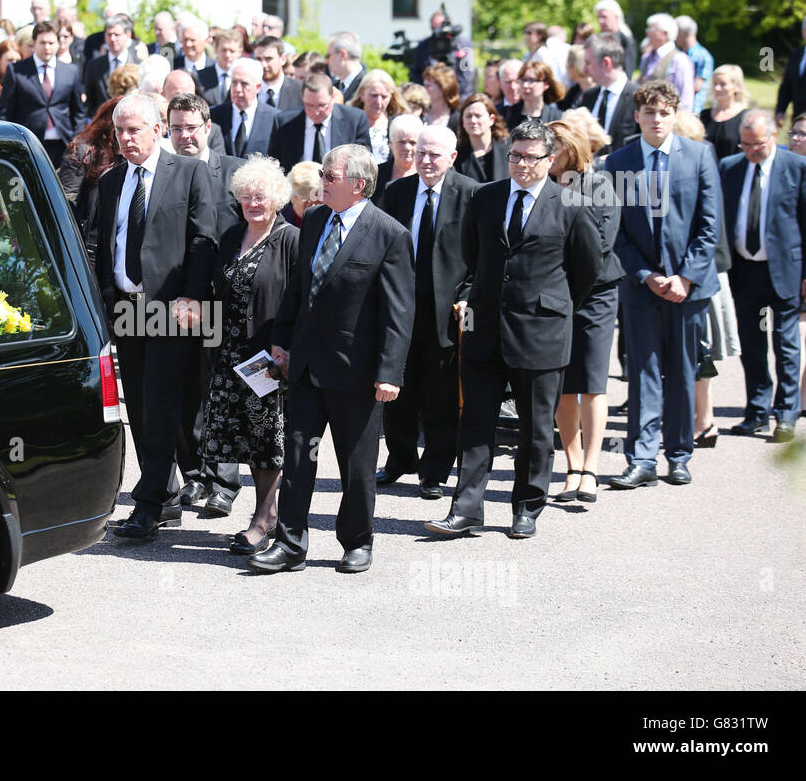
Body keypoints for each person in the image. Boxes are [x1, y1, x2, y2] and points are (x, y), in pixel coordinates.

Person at [426, 120, 601, 539]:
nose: (521, 165)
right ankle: (466, 508)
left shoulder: (572, 204)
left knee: (536, 427)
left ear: (551, 159)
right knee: (477, 422)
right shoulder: (486, 198)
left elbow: (586, 270)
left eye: (531, 157)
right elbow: (473, 254)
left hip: (541, 332)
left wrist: (552, 309)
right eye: (515, 156)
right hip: (485, 328)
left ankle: (527, 507)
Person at [248, 144, 415, 574]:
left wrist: (389, 373)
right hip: (305, 364)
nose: (320, 182)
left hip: (356, 373)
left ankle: (357, 541)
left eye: (329, 176)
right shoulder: (316, 219)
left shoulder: (389, 233)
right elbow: (298, 289)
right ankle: (289, 544)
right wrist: (281, 341)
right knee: (299, 457)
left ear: (358, 185)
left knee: (356, 465)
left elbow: (399, 312)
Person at [96, 93, 218, 539]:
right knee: (142, 408)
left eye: (134, 130)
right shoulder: (111, 182)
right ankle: (162, 497)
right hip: (127, 309)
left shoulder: (188, 173)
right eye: (120, 131)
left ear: (158, 129)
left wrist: (193, 297)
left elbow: (204, 240)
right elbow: (103, 243)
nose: (126, 139)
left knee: (163, 405)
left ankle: (147, 506)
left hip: (171, 309)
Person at [606, 81, 721, 489]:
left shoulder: (700, 156)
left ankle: (678, 453)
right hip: (641, 288)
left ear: (675, 115)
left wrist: (684, 276)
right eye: (649, 112)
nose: (657, 119)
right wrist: (646, 275)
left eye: (664, 112)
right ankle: (641, 459)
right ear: (637, 115)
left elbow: (709, 226)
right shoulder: (617, 162)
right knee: (643, 372)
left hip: (689, 287)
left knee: (682, 371)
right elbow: (614, 231)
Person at [201, 156, 301, 553]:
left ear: (276, 198)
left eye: (260, 197)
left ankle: (264, 518)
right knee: (242, 436)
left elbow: (300, 299)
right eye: (246, 197)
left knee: (266, 438)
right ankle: (267, 514)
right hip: (229, 354)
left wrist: (287, 347)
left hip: (269, 358)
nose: (253, 204)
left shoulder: (291, 239)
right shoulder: (231, 236)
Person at [374, 124, 478, 499]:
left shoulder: (471, 194)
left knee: (441, 395)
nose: (426, 160)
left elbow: (480, 257)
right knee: (396, 389)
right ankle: (400, 460)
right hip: (401, 308)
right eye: (420, 152)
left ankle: (434, 469)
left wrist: (468, 296)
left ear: (452, 158)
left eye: (434, 154)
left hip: (447, 311)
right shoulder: (396, 191)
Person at [159, 94, 245, 518]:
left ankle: (224, 483)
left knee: (222, 391)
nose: (184, 135)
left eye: (191, 127)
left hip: (225, 300)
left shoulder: (233, 170)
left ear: (207, 126)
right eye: (176, 127)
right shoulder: (164, 173)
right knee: (185, 391)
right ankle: (194, 475)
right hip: (177, 302)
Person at [720, 110, 806, 443]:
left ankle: (786, 415)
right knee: (751, 345)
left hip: (785, 272)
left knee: (786, 345)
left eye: (756, 144)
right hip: (745, 271)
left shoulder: (798, 168)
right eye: (744, 144)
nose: (750, 151)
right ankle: (756, 411)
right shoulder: (730, 168)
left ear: (773, 135)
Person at [547, 120, 623, 504]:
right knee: (563, 383)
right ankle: (572, 466)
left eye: (555, 147)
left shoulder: (598, 185)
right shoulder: (542, 188)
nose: (549, 154)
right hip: (555, 297)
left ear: (571, 149)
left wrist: (566, 285)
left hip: (595, 294)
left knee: (591, 382)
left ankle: (591, 468)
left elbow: (601, 246)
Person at [671, 112, 739, 450]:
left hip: (700, 277)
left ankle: (701, 421)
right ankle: (704, 420)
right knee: (700, 353)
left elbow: (709, 230)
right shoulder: (703, 163)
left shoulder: (696, 168)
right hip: (707, 274)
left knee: (697, 352)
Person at [0, 22, 84, 168]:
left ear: (58, 43)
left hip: (63, 144)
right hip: (29, 144)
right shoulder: (16, 71)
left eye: (51, 43)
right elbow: (5, 112)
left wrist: (77, 140)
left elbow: (78, 111)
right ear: (34, 43)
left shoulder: (71, 71)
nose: (47, 47)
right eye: (42, 43)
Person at [57, 97, 123, 264]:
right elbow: (67, 200)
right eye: (121, 128)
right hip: (88, 243)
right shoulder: (83, 151)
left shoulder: (134, 155)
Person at [268, 72, 372, 172]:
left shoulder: (354, 120)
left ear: (332, 98)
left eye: (322, 105)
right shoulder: (284, 123)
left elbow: (364, 164)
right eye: (309, 105)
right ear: (302, 97)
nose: (316, 112)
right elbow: (274, 166)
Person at [788, 112, 806, 415]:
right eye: (792, 133)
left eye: (804, 134)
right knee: (790, 330)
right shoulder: (785, 168)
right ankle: (784, 393)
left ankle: (803, 396)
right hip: (792, 260)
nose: (795, 139)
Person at [580, 32, 639, 156]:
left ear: (606, 63)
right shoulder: (589, 96)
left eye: (588, 63)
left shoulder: (637, 98)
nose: (584, 70)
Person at [209, 57, 277, 158]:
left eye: (244, 84)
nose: (237, 89)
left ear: (258, 87)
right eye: (234, 82)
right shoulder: (214, 115)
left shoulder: (274, 118)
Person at [84, 13, 141, 118]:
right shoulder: (94, 66)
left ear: (127, 35)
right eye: (109, 35)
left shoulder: (139, 64)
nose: (113, 39)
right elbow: (91, 99)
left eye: (117, 35)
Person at [411, 10, 476, 100]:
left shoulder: (463, 44)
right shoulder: (424, 45)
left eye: (440, 28)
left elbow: (467, 75)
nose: (437, 32)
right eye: (434, 28)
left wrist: (447, 93)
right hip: (431, 98)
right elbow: (417, 73)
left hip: (459, 97)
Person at [640, 14, 696, 113]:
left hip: (669, 120)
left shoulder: (679, 60)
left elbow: (686, 98)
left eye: (651, 30)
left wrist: (681, 124)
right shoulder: (647, 57)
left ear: (665, 34)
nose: (647, 33)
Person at [349, 69, 407, 163]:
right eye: (374, 95)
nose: (379, 102)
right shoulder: (350, 122)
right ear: (362, 94)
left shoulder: (397, 124)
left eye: (384, 97)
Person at [454, 93, 510, 183]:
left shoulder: (509, 149)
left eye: (478, 116)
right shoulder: (457, 155)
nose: (473, 121)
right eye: (468, 116)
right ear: (462, 121)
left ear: (491, 119)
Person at [700, 64, 750, 161]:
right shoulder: (704, 116)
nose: (717, 88)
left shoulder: (745, 118)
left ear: (737, 87)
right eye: (715, 84)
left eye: (723, 84)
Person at [776, 14, 806, 128]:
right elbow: (786, 86)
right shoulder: (796, 54)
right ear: (803, 32)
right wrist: (780, 111)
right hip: (797, 119)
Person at [505, 60, 564, 131]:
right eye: (523, 80)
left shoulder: (557, 117)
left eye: (532, 80)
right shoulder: (508, 114)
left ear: (546, 84)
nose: (525, 85)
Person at [675, 15, 715, 114]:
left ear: (687, 34)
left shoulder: (702, 56)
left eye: (677, 33)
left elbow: (697, 86)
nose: (674, 36)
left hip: (692, 111)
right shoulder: (678, 54)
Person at [253, 35, 302, 111]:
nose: (263, 65)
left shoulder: (299, 90)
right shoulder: (247, 88)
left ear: (283, 59)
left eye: (268, 59)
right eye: (258, 59)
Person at [595, 0, 639, 77]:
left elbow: (628, 72)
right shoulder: (598, 40)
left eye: (604, 17)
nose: (600, 21)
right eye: (598, 17)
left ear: (616, 16)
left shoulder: (625, 41)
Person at [374, 113, 422, 184]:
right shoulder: (377, 174)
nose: (407, 148)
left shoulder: (425, 175)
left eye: (412, 142)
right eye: (401, 142)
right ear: (391, 144)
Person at [280, 161, 322, 227]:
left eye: (317, 195)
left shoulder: (333, 221)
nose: (312, 201)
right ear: (292, 198)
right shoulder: (279, 224)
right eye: (304, 196)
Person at [327, 30, 366, 102]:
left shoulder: (367, 87)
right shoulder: (334, 87)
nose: (326, 61)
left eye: (328, 56)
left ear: (342, 55)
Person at [422, 64, 462, 133]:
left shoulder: (458, 119)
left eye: (428, 86)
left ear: (443, 87)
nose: (424, 89)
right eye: (424, 85)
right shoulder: (420, 115)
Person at [559, 45, 595, 111]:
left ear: (573, 65)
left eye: (568, 62)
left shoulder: (598, 91)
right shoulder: (574, 91)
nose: (566, 67)